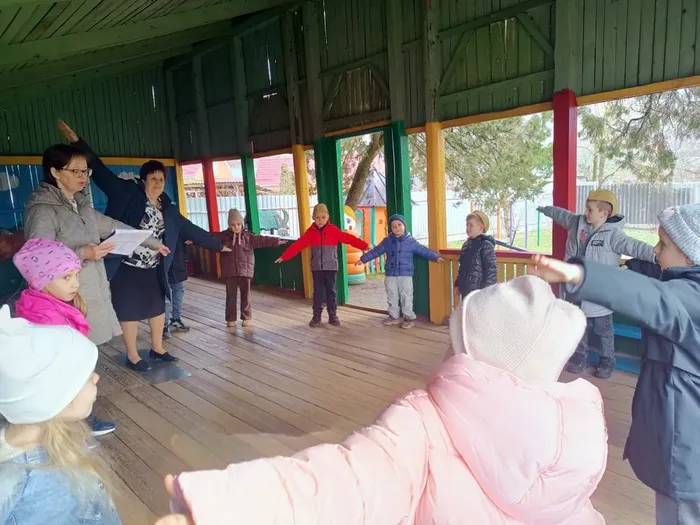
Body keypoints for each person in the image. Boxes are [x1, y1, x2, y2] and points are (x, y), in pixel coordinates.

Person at [154, 276, 607, 525]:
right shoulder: (577, 443)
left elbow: (348, 483)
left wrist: (229, 506)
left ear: (464, 352)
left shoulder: (423, 423)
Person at [531, 203, 700, 525]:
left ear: (691, 256)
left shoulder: (689, 298)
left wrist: (579, 274)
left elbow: (654, 296)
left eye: (663, 244)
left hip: (687, 449)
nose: (655, 249)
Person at [58, 120, 228, 372]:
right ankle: (132, 354)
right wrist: (77, 143)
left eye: (161, 179)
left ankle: (158, 348)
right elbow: (101, 172)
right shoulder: (126, 192)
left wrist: (219, 246)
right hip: (125, 266)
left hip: (153, 268)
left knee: (157, 308)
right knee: (129, 310)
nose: (158, 183)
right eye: (153, 178)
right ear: (143, 179)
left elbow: (191, 229)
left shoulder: (167, 207)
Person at [23, 143, 166, 435]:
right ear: (55, 172)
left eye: (85, 171)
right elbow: (36, 259)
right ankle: (73, 418)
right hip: (62, 300)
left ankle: (76, 414)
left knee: (82, 355)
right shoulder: (43, 210)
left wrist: (153, 242)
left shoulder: (81, 205)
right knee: (69, 359)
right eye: (75, 171)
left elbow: (113, 226)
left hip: (87, 292)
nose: (83, 177)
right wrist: (83, 253)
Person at [0, 305, 121, 524]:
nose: (97, 378)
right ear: (54, 398)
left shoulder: (59, 438)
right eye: (87, 377)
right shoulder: (21, 482)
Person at [537, 189, 656, 379]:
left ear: (604, 213)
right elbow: (560, 214)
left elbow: (636, 247)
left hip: (600, 293)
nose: (586, 212)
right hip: (574, 289)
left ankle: (607, 361)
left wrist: (657, 255)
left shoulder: (614, 235)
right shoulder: (576, 223)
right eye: (586, 208)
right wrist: (544, 208)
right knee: (577, 327)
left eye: (590, 209)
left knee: (603, 331)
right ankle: (579, 358)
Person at [275, 203, 369, 327]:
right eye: (317, 217)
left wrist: (364, 246)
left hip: (331, 267)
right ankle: (316, 316)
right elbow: (298, 245)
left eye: (323, 217)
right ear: (313, 217)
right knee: (318, 293)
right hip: (317, 268)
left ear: (327, 217)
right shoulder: (310, 233)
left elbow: (349, 238)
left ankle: (333, 315)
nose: (320, 220)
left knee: (331, 292)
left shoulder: (333, 230)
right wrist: (285, 256)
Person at [359, 214, 442, 329]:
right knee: (391, 295)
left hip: (405, 274)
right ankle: (394, 316)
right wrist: (363, 259)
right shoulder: (387, 241)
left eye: (399, 225)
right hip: (390, 274)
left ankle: (408, 317)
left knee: (406, 296)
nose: (397, 228)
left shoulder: (410, 241)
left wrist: (435, 257)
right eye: (393, 226)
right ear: (391, 228)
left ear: (404, 226)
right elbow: (376, 251)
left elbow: (423, 250)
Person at [217, 208, 286, 328]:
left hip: (245, 271)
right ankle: (230, 319)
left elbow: (262, 240)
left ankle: (246, 317)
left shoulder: (249, 237)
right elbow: (207, 238)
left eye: (238, 224)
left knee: (246, 295)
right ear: (229, 225)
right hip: (230, 271)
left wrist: (276, 241)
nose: (236, 227)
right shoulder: (223, 237)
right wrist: (194, 240)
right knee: (231, 296)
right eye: (233, 225)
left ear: (242, 224)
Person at [454, 210, 497, 299]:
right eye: (467, 225)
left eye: (471, 225)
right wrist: (458, 284)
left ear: (481, 227)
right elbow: (463, 268)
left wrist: (485, 292)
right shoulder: (466, 245)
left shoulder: (486, 245)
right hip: (466, 290)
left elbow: (491, 271)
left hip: (480, 292)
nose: (468, 228)